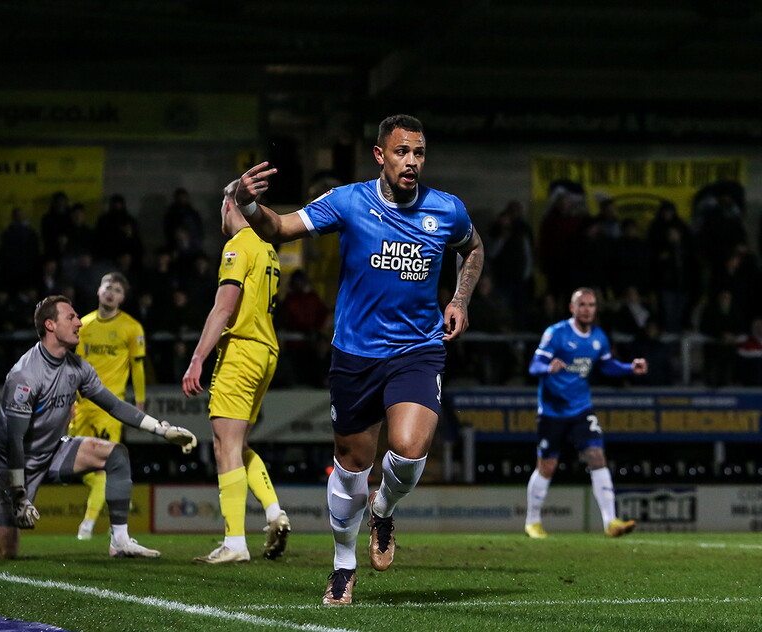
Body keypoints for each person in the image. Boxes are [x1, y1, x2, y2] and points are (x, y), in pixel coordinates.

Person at [233, 114, 484, 605]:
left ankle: (384, 507)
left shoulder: (447, 209)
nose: (411, 162)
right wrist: (246, 202)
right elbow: (280, 229)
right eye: (401, 152)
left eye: (419, 153)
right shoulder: (348, 201)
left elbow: (472, 248)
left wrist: (459, 300)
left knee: (410, 450)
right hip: (355, 355)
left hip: (417, 349)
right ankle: (343, 566)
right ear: (380, 155)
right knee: (351, 466)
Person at [0, 295, 197, 564]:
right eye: (71, 317)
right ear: (50, 325)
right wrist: (19, 493)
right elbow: (15, 441)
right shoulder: (25, 375)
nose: (79, 322)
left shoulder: (77, 367)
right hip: (14, 465)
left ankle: (121, 541)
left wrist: (161, 429)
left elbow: (114, 405)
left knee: (115, 455)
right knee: (3, 552)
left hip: (54, 451)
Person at [182, 181, 291, 565]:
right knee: (237, 443)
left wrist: (197, 357)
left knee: (223, 444)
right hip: (266, 350)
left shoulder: (237, 246)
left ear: (230, 206)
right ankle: (274, 511)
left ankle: (235, 542)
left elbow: (224, 308)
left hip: (242, 348)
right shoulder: (268, 248)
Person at [524, 287, 647, 540]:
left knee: (596, 455)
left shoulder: (598, 337)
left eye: (591, 305)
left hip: (581, 408)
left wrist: (628, 368)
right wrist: (548, 366)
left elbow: (605, 365)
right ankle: (532, 521)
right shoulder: (556, 333)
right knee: (547, 465)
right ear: (572, 308)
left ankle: (610, 522)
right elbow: (534, 365)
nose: (587, 309)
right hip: (552, 410)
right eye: (582, 305)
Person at [68, 272, 148, 541]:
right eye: (107, 287)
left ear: (123, 298)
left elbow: (137, 367)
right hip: (81, 404)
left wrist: (139, 401)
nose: (111, 292)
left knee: (104, 466)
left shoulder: (132, 327)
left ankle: (89, 526)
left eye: (117, 290)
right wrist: (68, 398)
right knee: (75, 464)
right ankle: (105, 519)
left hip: (110, 407)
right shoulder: (84, 324)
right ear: (99, 290)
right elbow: (72, 367)